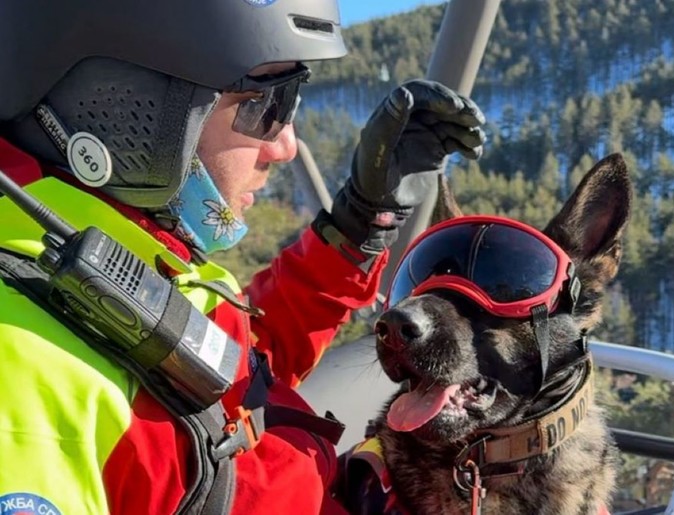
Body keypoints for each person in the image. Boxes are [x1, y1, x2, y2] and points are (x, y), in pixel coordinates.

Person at [0, 0, 485, 514]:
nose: (286, 147)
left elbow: (226, 380)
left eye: (292, 101)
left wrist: (359, 223)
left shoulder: (110, 261)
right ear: (121, 108)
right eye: (265, 106)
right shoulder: (24, 374)